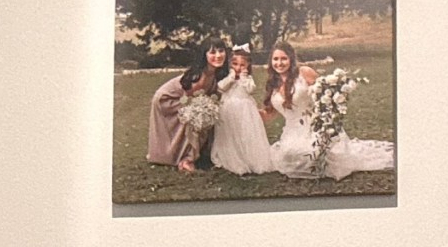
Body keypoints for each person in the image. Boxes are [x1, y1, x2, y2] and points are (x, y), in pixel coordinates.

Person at [261, 41, 394, 180]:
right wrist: (245, 110)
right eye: (275, 59)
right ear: (271, 62)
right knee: (289, 155)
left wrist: (328, 116)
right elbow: (269, 114)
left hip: (315, 125)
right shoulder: (272, 83)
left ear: (291, 59)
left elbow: (326, 93)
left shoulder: (304, 73)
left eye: (284, 58)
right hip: (292, 131)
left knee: (313, 153)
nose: (279, 63)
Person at [146, 37, 229, 173]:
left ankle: (199, 152)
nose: (218, 56)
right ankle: (186, 159)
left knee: (201, 116)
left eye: (221, 51)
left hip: (188, 99)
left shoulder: (215, 72)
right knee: (193, 122)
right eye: (212, 53)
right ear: (205, 55)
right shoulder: (200, 77)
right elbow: (191, 101)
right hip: (168, 98)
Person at [210, 44, 273, 176]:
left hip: (244, 110)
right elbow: (220, 88)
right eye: (235, 64)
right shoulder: (228, 78)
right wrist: (231, 78)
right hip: (228, 108)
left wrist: (244, 78)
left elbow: (251, 90)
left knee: (245, 133)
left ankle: (248, 157)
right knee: (230, 133)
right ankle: (231, 156)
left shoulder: (248, 79)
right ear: (230, 64)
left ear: (248, 66)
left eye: (242, 65)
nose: (238, 68)